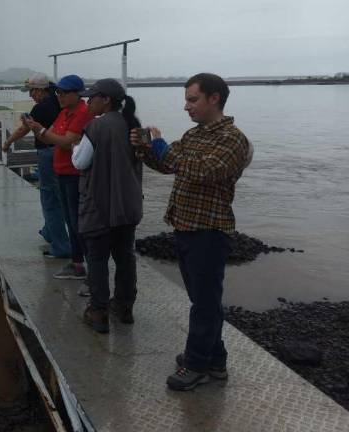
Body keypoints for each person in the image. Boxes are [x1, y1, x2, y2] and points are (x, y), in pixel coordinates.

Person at [131, 73, 252, 391]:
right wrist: (146, 150)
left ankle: (196, 365)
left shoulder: (232, 139)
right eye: (186, 99)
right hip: (185, 227)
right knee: (202, 299)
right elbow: (170, 165)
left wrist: (160, 145)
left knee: (205, 303)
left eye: (192, 99)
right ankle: (216, 361)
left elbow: (203, 171)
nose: (186, 106)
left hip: (209, 232)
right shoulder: (194, 135)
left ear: (214, 99)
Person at [71, 78, 143, 334]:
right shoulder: (133, 125)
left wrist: (74, 148)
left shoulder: (96, 127)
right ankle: (124, 307)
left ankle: (98, 311)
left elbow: (79, 163)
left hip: (100, 206)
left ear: (106, 100)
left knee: (97, 259)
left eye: (93, 97)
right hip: (128, 207)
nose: (88, 101)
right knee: (125, 257)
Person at [26, 74, 93, 280]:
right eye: (58, 92)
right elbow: (52, 136)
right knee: (70, 219)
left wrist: (42, 131)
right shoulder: (64, 112)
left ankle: (83, 265)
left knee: (76, 220)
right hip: (61, 172)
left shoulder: (82, 113)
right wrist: (37, 129)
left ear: (77, 93)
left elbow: (66, 142)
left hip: (75, 174)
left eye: (64, 93)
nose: (60, 96)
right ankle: (76, 262)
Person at [3, 74, 71, 259]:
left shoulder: (41, 108)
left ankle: (61, 246)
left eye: (32, 91)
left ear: (41, 90)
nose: (30, 95)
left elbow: (23, 129)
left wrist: (7, 143)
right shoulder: (62, 103)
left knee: (50, 201)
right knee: (61, 197)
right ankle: (50, 233)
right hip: (66, 153)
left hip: (48, 155)